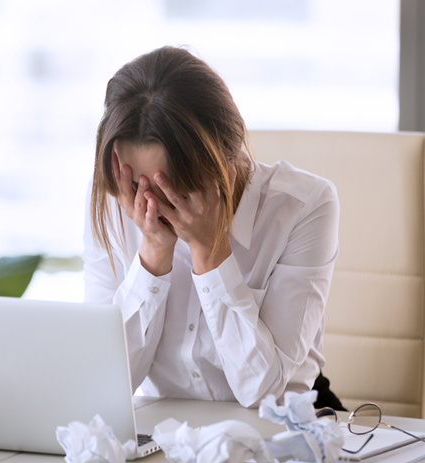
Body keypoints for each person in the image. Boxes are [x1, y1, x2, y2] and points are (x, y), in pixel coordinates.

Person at [83, 46, 343, 409]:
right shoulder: (119, 202)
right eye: (136, 185)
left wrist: (211, 253)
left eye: (170, 191)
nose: (149, 205)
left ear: (227, 160)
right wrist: (153, 254)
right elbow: (101, 381)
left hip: (280, 437)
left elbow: (263, 392)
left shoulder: (304, 206)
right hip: (168, 440)